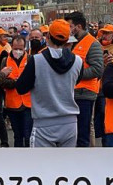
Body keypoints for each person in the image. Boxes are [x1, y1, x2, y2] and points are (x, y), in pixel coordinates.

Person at [14, 19, 82, 147]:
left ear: (48, 36)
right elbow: (76, 80)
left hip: (44, 122)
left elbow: (21, 88)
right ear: (68, 39)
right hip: (70, 122)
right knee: (67, 164)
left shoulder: (36, 60)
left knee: (41, 165)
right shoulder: (78, 61)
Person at [64, 12, 104, 147]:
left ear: (78, 27)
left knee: (83, 132)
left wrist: (75, 74)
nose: (67, 30)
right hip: (70, 92)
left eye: (70, 26)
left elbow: (97, 69)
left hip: (85, 94)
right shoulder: (70, 43)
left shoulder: (93, 44)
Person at [0, 35, 32, 147]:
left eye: (21, 48)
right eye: (15, 48)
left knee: (28, 135)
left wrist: (17, 81)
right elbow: (1, 81)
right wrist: (17, 82)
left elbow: (34, 80)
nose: (18, 51)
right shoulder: (5, 61)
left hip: (28, 104)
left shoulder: (30, 59)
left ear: (25, 48)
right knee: (17, 135)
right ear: (11, 47)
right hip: (12, 104)